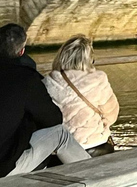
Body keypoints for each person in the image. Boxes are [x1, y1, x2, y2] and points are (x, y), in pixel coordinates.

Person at [0, 24, 90, 177]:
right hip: (3, 166)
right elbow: (53, 119)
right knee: (60, 134)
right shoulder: (26, 78)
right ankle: (96, 176)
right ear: (22, 51)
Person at [43, 36, 119, 155]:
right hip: (96, 144)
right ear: (89, 59)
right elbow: (111, 116)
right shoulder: (98, 80)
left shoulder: (49, 82)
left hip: (63, 150)